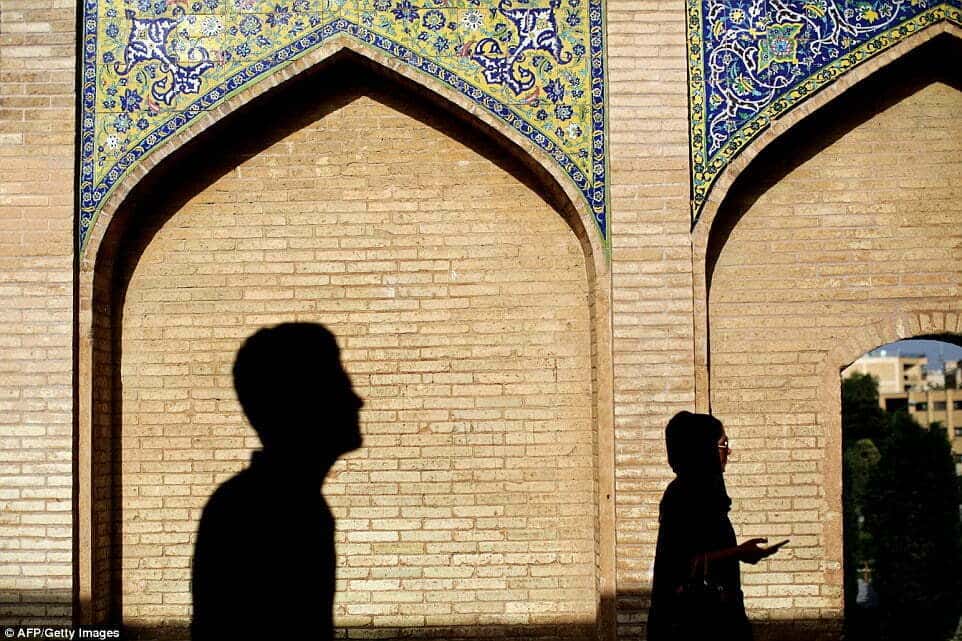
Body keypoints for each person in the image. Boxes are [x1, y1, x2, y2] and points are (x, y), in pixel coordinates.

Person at [191, 323, 363, 641]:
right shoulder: (259, 512)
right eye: (338, 385)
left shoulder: (293, 504)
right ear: (302, 404)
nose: (357, 401)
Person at [646, 411, 786, 641]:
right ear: (703, 449)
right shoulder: (683, 496)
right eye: (723, 444)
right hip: (696, 624)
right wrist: (739, 552)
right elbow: (683, 564)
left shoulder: (707, 494)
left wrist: (738, 554)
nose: (728, 451)